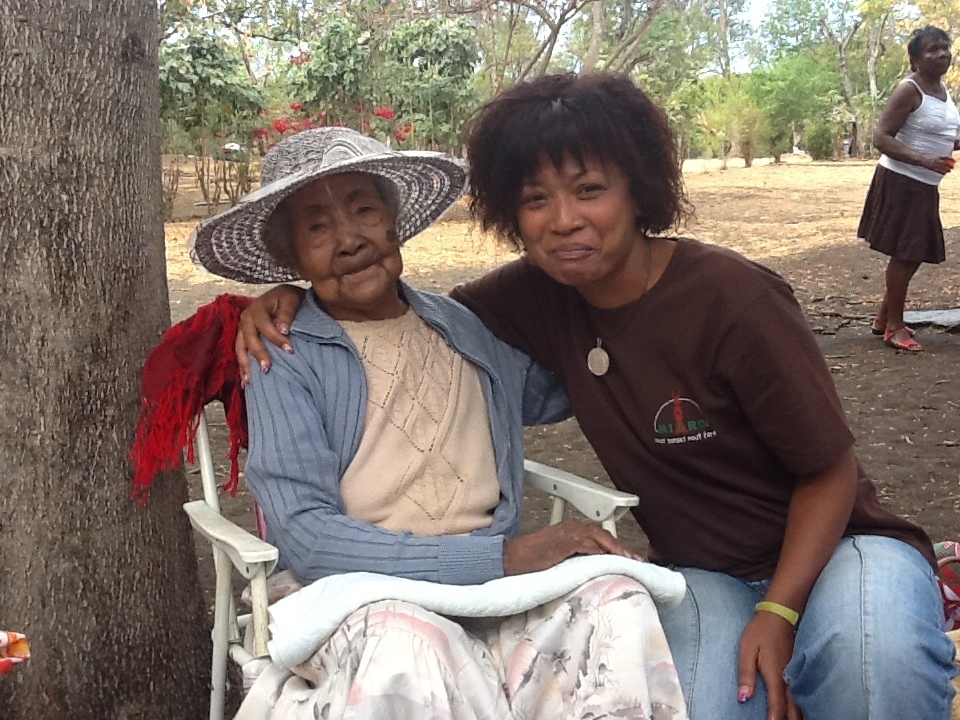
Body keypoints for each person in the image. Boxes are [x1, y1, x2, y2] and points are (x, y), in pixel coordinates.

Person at [239, 74, 958, 720]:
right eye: (534, 200)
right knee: (705, 706)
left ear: (638, 189)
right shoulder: (517, 303)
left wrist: (779, 609)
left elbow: (829, 469)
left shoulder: (733, 299)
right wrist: (279, 305)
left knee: (876, 673)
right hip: (703, 571)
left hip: (838, 545)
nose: (564, 220)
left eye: (589, 190)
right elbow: (385, 324)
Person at [191, 126, 689, 720]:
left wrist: (619, 290)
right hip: (361, 593)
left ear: (395, 225)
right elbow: (308, 537)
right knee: (407, 645)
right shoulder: (284, 355)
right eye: (317, 228)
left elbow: (569, 383)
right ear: (294, 260)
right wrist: (503, 560)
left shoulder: (462, 325)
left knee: (617, 603)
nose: (349, 240)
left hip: (492, 587)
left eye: (364, 211)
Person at [858, 25, 960, 352]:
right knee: (907, 255)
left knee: (911, 254)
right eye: (933, 49)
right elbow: (881, 137)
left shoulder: (943, 93)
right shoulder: (910, 89)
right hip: (903, 181)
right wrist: (924, 160)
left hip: (925, 184)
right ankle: (894, 327)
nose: (943, 53)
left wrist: (945, 151)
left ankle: (883, 317)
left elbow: (943, 138)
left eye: (945, 47)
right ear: (915, 60)